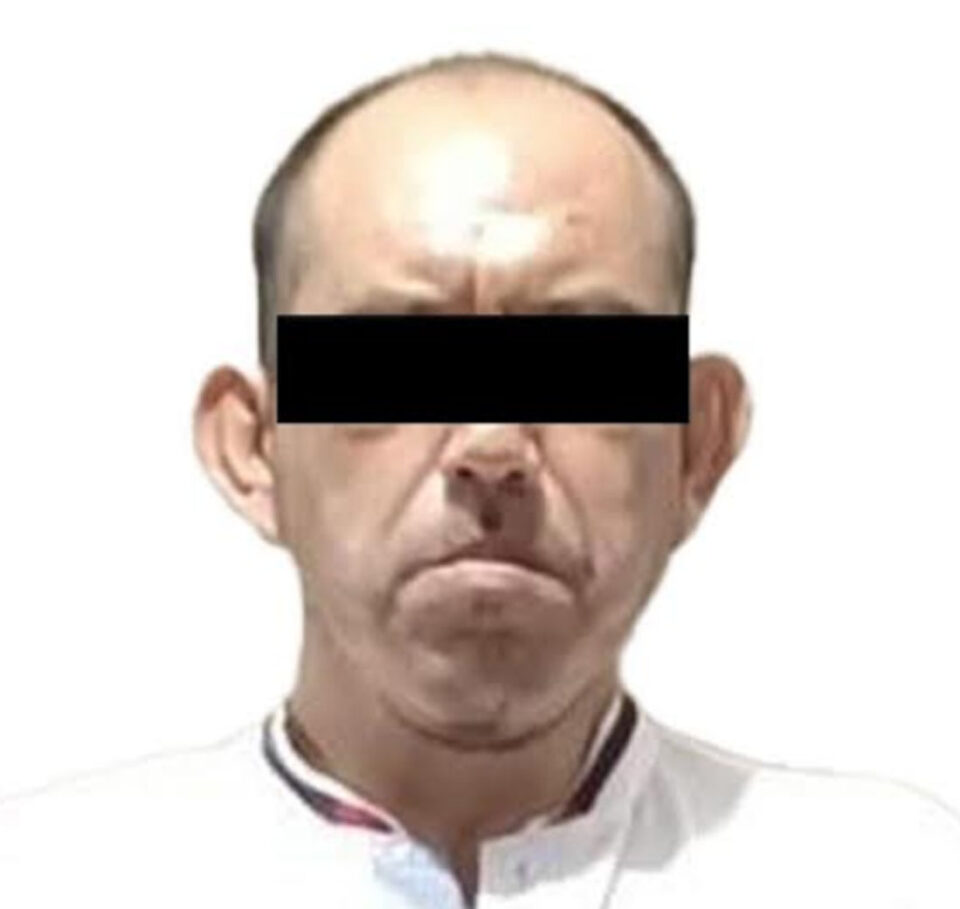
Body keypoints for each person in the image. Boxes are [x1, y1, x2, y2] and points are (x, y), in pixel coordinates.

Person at [2, 50, 958, 909]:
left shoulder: (895, 878)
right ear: (253, 449)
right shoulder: (50, 877)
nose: (492, 441)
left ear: (696, 446)